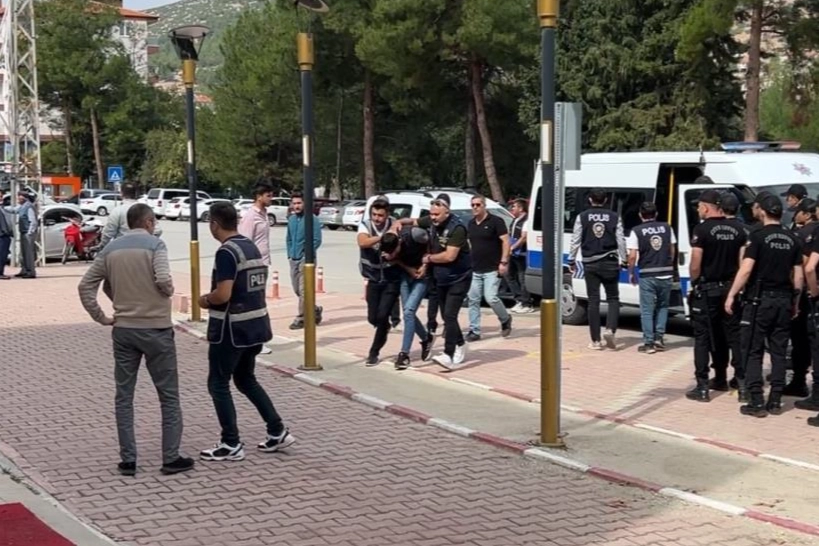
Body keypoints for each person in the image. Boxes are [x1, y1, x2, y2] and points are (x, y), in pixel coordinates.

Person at [77, 204, 193, 476]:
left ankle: (128, 459)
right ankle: (170, 457)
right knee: (168, 395)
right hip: (156, 329)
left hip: (124, 330)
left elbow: (86, 286)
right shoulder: (156, 245)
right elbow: (163, 279)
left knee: (124, 395)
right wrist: (167, 291)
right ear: (149, 222)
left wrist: (102, 316)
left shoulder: (110, 249)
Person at [198, 202, 295, 462]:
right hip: (255, 326)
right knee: (245, 379)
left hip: (231, 329)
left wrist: (204, 300)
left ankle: (230, 442)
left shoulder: (226, 252)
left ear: (214, 224)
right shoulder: (250, 247)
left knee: (218, 383)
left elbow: (223, 294)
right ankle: (277, 430)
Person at [725, 194, 803, 417]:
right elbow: (798, 276)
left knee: (753, 349)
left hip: (759, 301)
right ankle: (776, 400)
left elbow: (746, 269)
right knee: (779, 351)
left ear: (763, 211)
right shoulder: (792, 238)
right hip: (784, 300)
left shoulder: (757, 237)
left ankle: (756, 401)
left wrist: (732, 294)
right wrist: (795, 302)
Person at [686, 189, 748, 402]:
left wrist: (694, 280)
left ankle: (703, 386)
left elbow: (696, 262)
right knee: (733, 336)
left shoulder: (702, 230)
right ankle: (742, 383)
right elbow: (742, 263)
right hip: (730, 289)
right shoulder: (738, 229)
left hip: (707, 289)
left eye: (698, 206)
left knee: (703, 338)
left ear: (705, 207)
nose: (697, 209)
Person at [398, 193, 471, 369]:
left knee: (450, 315)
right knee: (446, 315)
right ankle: (461, 344)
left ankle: (448, 355)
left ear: (447, 212)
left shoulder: (457, 228)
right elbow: (414, 221)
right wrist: (397, 223)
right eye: (431, 214)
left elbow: (449, 256)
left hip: (459, 278)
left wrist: (428, 259)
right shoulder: (431, 221)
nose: (433, 217)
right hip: (441, 278)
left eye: (436, 214)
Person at [567, 188, 626, 350]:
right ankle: (610, 329)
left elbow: (575, 240)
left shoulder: (582, 217)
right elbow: (620, 240)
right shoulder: (614, 216)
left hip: (590, 263)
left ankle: (595, 340)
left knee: (593, 300)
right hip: (610, 262)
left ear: (590, 200)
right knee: (613, 298)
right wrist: (624, 260)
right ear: (606, 200)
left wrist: (571, 260)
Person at [380, 226, 435, 369]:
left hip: (422, 277)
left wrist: (425, 266)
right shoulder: (387, 247)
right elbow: (395, 261)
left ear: (399, 242)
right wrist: (404, 266)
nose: (391, 255)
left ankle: (404, 354)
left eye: (394, 252)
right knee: (407, 313)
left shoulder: (413, 234)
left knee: (409, 312)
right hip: (406, 276)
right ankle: (426, 339)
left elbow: (432, 245)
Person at [627, 202, 676, 353]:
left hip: (647, 273)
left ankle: (648, 343)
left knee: (647, 310)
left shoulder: (636, 231)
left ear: (640, 215)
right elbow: (672, 249)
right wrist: (669, 264)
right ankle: (659, 338)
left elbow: (632, 256)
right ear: (656, 214)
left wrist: (631, 272)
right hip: (666, 272)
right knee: (663, 306)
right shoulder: (667, 227)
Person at [357, 199, 401, 366]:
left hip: (391, 278)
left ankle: (374, 352)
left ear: (387, 214)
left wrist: (394, 250)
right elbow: (362, 242)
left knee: (382, 316)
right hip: (373, 278)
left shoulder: (394, 225)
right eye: (374, 214)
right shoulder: (365, 225)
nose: (377, 218)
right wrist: (383, 238)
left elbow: (401, 243)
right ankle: (384, 327)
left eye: (380, 215)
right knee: (373, 318)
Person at [466, 194, 512, 341]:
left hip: (492, 267)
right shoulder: (471, 224)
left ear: (484, 206)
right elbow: (470, 244)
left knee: (491, 298)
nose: (475, 207)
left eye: (478, 205)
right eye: (473, 205)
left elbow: (505, 242)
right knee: (473, 299)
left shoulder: (496, 221)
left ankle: (505, 318)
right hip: (475, 268)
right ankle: (474, 330)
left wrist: (503, 262)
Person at [786, 198, 818, 397]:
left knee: (801, 340)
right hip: (811, 291)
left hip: (804, 294)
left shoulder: (802, 234)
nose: (794, 215)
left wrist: (809, 291)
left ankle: (799, 382)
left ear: (806, 214)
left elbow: (804, 266)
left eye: (798, 212)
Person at [238, 183, 274, 355]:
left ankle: (256, 339)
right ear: (259, 197)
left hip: (262, 264)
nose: (271, 199)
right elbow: (245, 242)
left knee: (259, 301)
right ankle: (254, 340)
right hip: (253, 266)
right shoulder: (251, 216)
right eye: (268, 195)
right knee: (255, 303)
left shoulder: (264, 214)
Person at [285, 192, 323, 330]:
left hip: (306, 261)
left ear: (305, 203)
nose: (296, 206)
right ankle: (314, 310)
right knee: (297, 290)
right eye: (294, 203)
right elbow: (289, 239)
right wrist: (290, 254)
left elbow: (317, 240)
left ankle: (301, 318)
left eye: (299, 203)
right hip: (293, 260)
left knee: (304, 290)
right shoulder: (291, 220)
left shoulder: (312, 219)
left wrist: (306, 254)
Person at [507, 198, 533, 314]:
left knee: (522, 278)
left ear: (521, 208)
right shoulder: (515, 220)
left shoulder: (526, 221)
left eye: (514, 206)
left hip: (521, 253)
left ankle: (527, 303)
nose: (512, 209)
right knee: (509, 275)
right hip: (512, 253)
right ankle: (519, 299)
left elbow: (524, 238)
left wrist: (513, 247)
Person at [4, 191, 37, 278]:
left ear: (24, 198)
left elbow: (33, 221)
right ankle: (24, 270)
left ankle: (30, 272)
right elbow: (14, 210)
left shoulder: (29, 207)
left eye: (19, 196)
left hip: (28, 233)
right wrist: (3, 207)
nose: (18, 198)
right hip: (23, 232)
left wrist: (30, 232)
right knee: (23, 253)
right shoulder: (22, 206)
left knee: (28, 253)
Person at [99, 183, 138, 249]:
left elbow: (109, 232)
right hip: (144, 249)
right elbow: (156, 230)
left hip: (123, 248)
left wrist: (102, 245)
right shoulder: (146, 209)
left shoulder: (117, 210)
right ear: (135, 193)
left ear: (121, 194)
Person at [0, 189, 12, 280]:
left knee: (3, 255)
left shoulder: (2, 208)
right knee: (1, 255)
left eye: (1, 196)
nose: (1, 198)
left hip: (5, 235)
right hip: (2, 235)